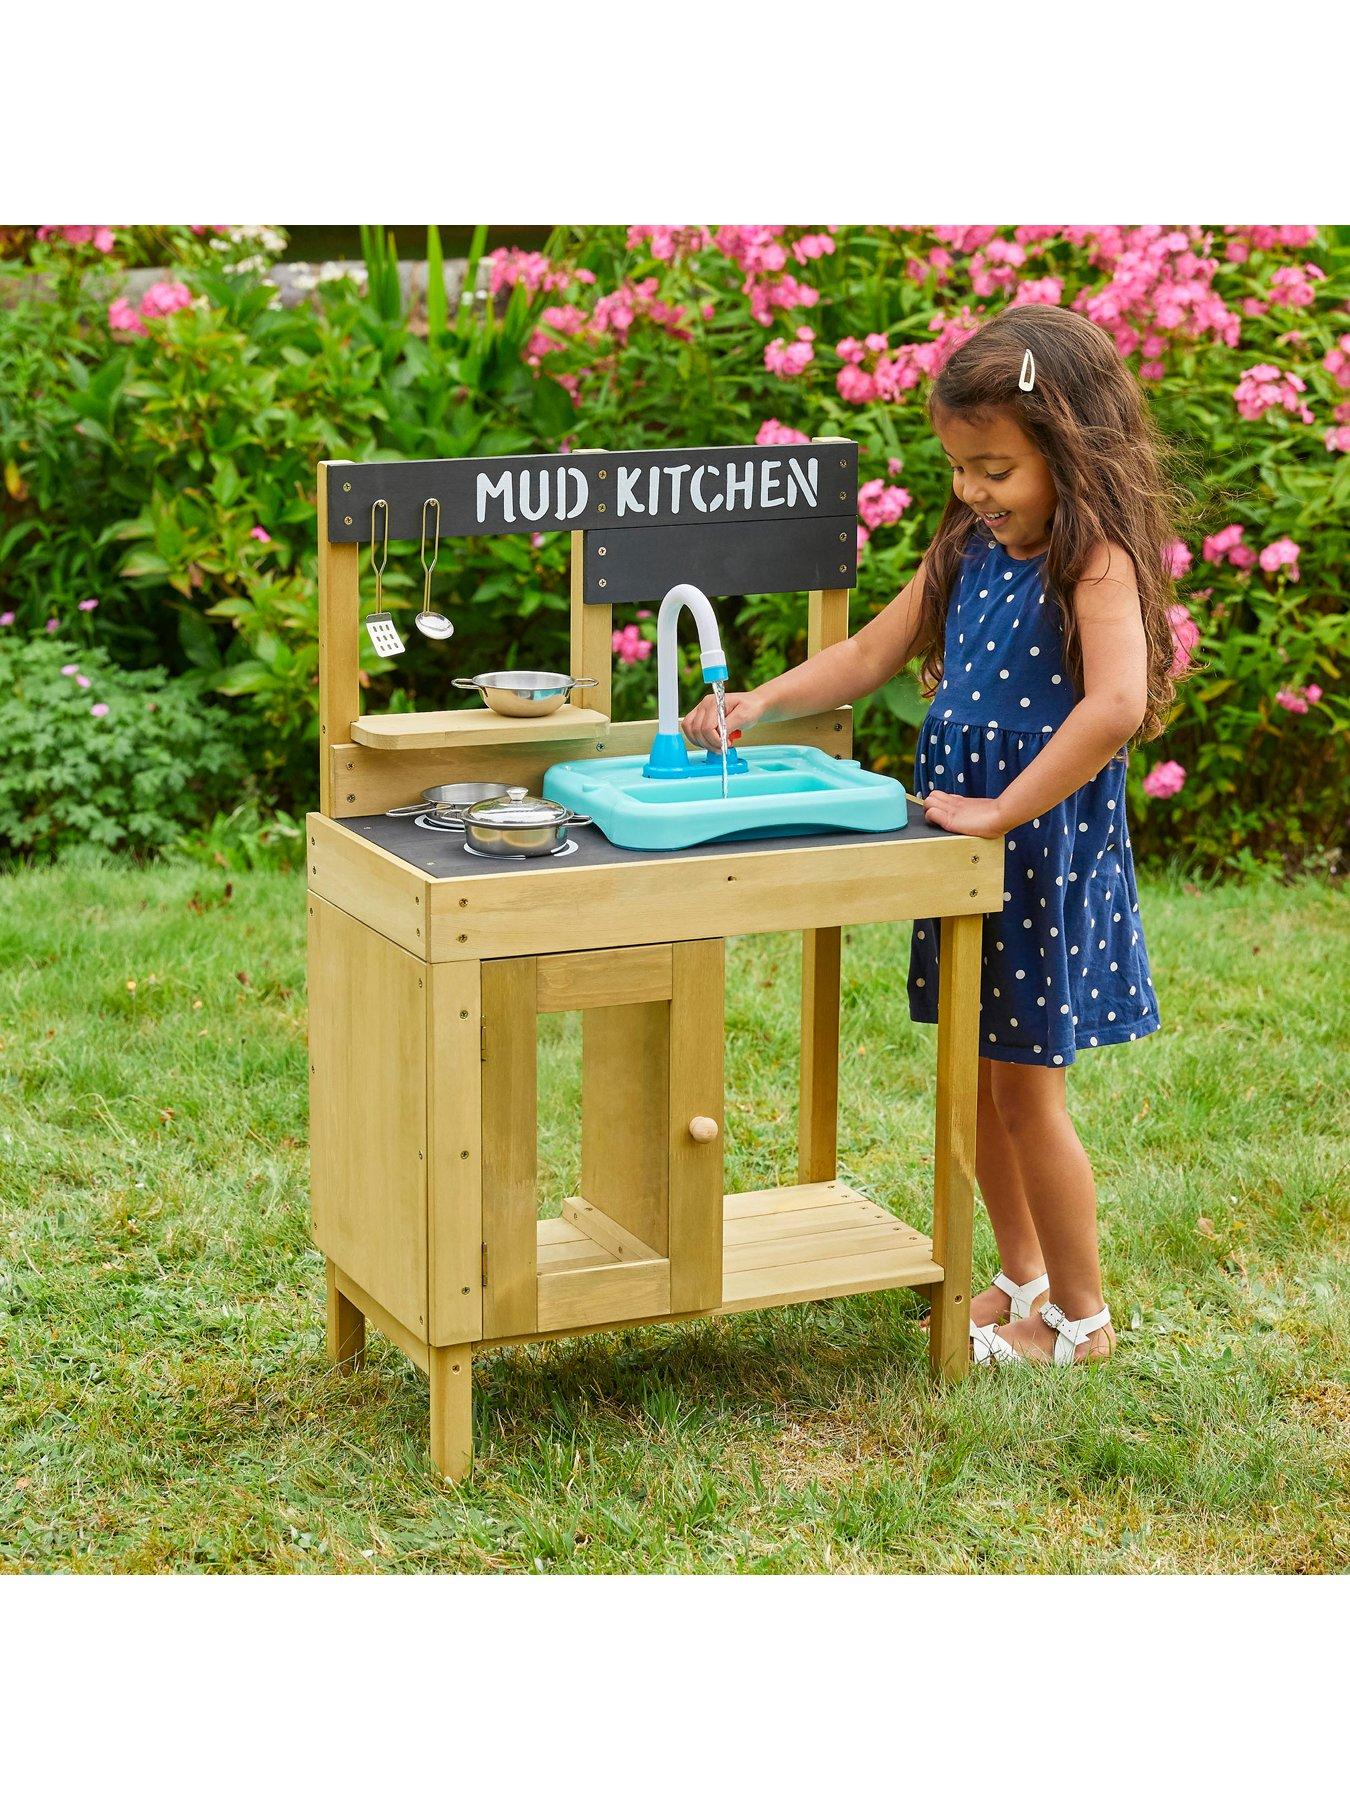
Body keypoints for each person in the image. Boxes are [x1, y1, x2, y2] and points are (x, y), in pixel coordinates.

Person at [682, 305, 1188, 1365]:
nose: (973, 492)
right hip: (968, 845)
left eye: (996, 469)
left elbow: (1113, 708)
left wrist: (1005, 811)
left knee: (1027, 1090)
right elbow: (872, 652)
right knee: (974, 1077)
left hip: (1034, 847)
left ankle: (1084, 1320)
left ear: (1070, 449)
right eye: (961, 467)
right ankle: (1021, 1276)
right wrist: (755, 702)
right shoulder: (967, 543)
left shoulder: (1091, 560)